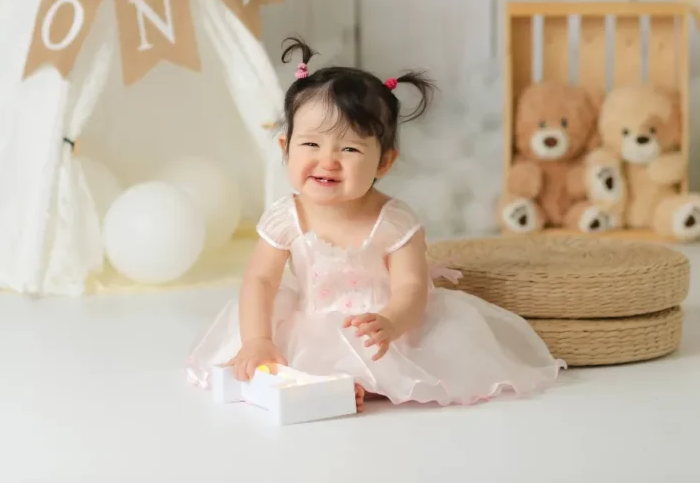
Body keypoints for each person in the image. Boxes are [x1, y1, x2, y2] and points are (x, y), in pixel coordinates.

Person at [186, 38, 564, 411]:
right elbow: (261, 280)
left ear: (384, 162)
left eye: (349, 149)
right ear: (285, 148)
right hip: (312, 319)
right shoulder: (287, 217)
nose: (328, 161)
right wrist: (256, 339)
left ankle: (354, 384)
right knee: (278, 359)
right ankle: (327, 386)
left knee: (395, 355)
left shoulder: (394, 222)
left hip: (381, 324)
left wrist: (392, 322)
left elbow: (411, 286)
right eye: (311, 145)